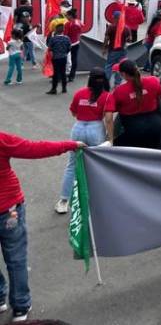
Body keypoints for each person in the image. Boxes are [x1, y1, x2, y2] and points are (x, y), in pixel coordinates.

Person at [0, 131, 83, 321]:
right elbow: (33, 148)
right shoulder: (1, 139)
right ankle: (20, 307)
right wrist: (69, 145)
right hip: (9, 209)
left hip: (8, 208)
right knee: (16, 258)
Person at [55, 67, 109, 214]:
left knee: (72, 164)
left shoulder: (80, 93)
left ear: (90, 79)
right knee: (96, 166)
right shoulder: (106, 96)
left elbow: (73, 112)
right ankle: (95, 200)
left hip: (78, 128)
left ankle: (64, 201)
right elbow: (107, 115)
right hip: (96, 128)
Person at [105, 60, 161, 150]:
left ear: (124, 74)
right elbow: (159, 97)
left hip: (134, 130)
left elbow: (109, 115)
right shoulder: (154, 81)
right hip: (156, 126)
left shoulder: (119, 91)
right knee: (154, 158)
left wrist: (110, 139)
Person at [104, 11, 131, 89]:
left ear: (115, 18)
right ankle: (117, 84)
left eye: (114, 18)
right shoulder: (126, 28)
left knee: (109, 66)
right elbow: (129, 39)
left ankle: (106, 82)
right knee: (120, 67)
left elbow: (106, 39)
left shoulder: (111, 27)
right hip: (123, 50)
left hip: (113, 50)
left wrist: (104, 48)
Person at [46, 23, 71, 95]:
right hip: (64, 57)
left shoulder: (53, 39)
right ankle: (64, 88)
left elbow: (50, 48)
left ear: (56, 30)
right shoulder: (67, 38)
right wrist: (65, 52)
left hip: (56, 58)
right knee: (63, 73)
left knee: (55, 74)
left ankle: (54, 89)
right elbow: (69, 48)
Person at [64, 8, 82, 83]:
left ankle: (61, 75)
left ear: (70, 16)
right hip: (76, 42)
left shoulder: (68, 24)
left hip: (68, 43)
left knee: (63, 59)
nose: (66, 17)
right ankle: (72, 76)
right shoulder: (79, 22)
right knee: (74, 60)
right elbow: (81, 30)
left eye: (67, 15)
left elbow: (65, 34)